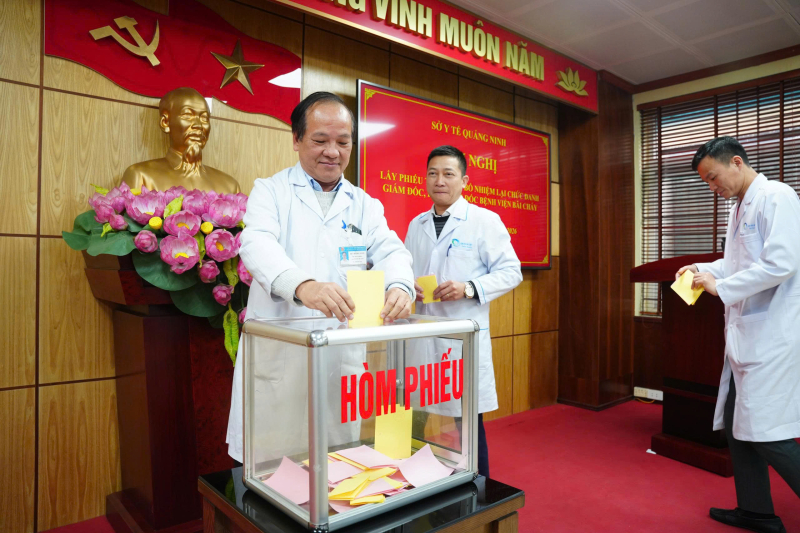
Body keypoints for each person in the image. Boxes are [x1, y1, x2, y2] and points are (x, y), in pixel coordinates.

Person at [226, 92, 415, 463]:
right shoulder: (271, 191)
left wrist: (399, 286)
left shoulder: (364, 204)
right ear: (296, 140)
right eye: (320, 140)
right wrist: (302, 286)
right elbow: (256, 243)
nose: (333, 152)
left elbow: (392, 251)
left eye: (343, 142)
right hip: (282, 355)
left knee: (336, 466)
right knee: (272, 469)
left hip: (339, 360)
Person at [676, 136, 800, 533]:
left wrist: (721, 287)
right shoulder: (739, 207)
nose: (712, 187)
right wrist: (701, 270)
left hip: (772, 335)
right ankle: (756, 511)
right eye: (706, 183)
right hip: (746, 338)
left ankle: (758, 509)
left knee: (767, 434)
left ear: (736, 163)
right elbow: (736, 265)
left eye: (713, 178)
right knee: (736, 424)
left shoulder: (776, 197)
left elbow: (781, 263)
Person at [404, 145, 522, 478]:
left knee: (466, 424)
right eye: (432, 173)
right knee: (417, 420)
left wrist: (469, 287)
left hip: (461, 343)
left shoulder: (484, 221)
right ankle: (416, 485)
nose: (439, 181)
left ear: (464, 180)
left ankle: (478, 489)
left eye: (448, 174)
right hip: (423, 337)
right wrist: (407, 285)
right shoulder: (416, 224)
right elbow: (406, 267)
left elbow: (511, 272)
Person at [122, 87, 240, 193]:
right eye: (188, 115)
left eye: (204, 118)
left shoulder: (229, 186)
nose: (198, 125)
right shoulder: (141, 176)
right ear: (165, 122)